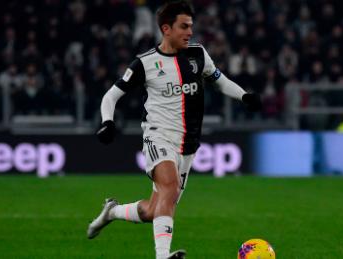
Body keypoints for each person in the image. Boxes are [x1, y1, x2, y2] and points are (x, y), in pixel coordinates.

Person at [86, 1, 262, 259]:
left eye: (191, 26)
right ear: (166, 29)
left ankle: (111, 212)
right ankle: (162, 256)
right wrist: (107, 122)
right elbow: (110, 97)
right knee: (169, 186)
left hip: (188, 144)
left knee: (155, 209)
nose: (189, 32)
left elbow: (219, 81)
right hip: (158, 135)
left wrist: (244, 96)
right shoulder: (144, 64)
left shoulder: (198, 55)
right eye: (184, 27)